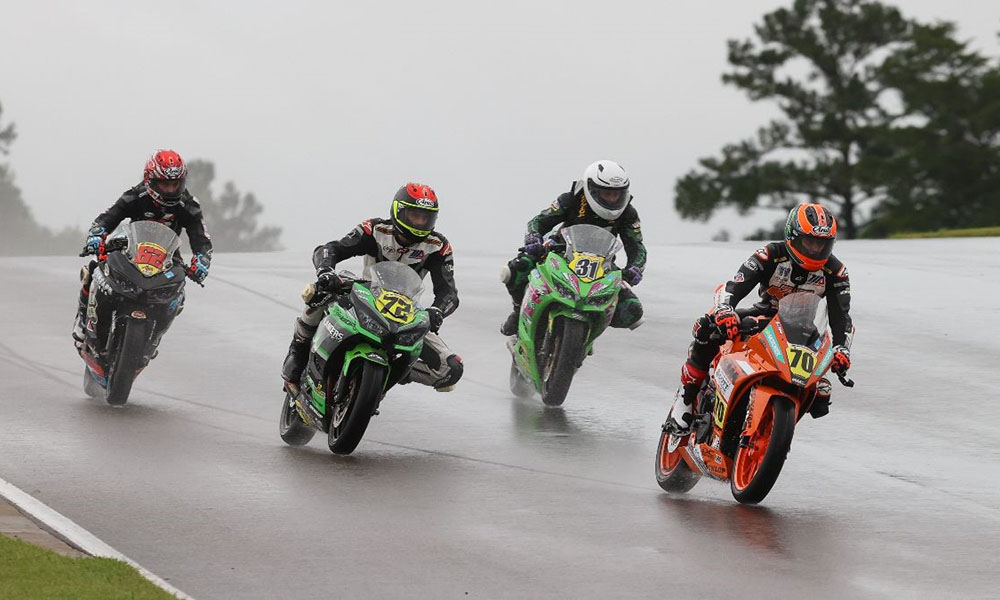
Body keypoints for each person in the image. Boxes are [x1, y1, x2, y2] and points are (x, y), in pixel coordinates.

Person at [664, 202, 854, 433]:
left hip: (802, 330)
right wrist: (725, 310)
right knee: (709, 325)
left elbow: (841, 315)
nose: (815, 249)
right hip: (764, 316)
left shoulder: (836, 272)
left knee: (821, 392)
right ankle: (687, 396)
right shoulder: (770, 254)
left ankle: (772, 424)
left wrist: (842, 349)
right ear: (792, 237)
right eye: (810, 241)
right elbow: (735, 286)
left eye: (822, 243)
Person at [281, 183, 463, 392]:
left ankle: (393, 371)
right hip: (364, 293)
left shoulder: (438, 246)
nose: (420, 223)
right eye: (415, 215)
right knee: (318, 291)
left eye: (425, 218)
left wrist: (437, 311)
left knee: (451, 369)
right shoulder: (375, 229)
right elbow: (331, 249)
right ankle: (298, 349)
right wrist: (326, 271)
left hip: (405, 311)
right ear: (398, 212)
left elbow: (449, 293)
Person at [72, 149, 213, 343]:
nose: (170, 190)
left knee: (179, 293)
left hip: (168, 257)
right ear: (150, 180)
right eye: (164, 184)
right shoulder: (136, 195)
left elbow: (202, 239)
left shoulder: (189, 205)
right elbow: (108, 217)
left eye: (175, 184)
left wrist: (202, 259)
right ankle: (83, 320)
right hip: (130, 248)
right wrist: (97, 234)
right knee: (94, 267)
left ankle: (154, 337)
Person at [500, 160, 646, 335]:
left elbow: (637, 246)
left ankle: (590, 329)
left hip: (602, 264)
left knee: (633, 311)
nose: (612, 199)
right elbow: (539, 221)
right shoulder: (571, 199)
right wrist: (533, 239)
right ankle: (518, 310)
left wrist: (635, 268)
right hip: (559, 252)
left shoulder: (628, 213)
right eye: (607, 193)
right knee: (515, 269)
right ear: (591, 189)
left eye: (617, 194)